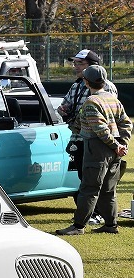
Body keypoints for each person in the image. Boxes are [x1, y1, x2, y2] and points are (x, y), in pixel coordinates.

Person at [57, 65, 130, 235]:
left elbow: (101, 130)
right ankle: (111, 225)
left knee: (89, 188)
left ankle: (78, 226)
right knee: (108, 190)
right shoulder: (113, 99)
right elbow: (126, 123)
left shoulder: (91, 102)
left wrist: (116, 145)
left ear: (86, 82)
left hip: (97, 149)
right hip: (113, 151)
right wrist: (122, 144)